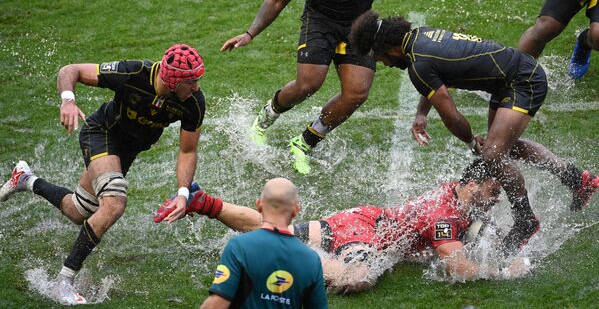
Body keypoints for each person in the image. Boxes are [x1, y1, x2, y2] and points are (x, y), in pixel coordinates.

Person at [348, 10, 599, 255]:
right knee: (502, 148)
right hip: (509, 78)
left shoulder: (418, 64)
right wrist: (422, 114)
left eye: (383, 59)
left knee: (492, 154)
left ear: (389, 48)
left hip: (523, 81)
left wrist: (469, 142)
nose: (388, 65)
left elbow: (451, 115)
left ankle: (525, 220)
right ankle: (577, 180)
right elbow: (436, 79)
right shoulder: (420, 37)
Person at [0, 44, 206, 305]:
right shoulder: (133, 73)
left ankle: (25, 179)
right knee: (114, 203)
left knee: (79, 211)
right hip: (101, 134)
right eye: (192, 82)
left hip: (126, 151)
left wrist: (182, 194)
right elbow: (70, 70)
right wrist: (68, 100)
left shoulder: (193, 103)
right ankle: (64, 280)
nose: (197, 88)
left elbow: (188, 151)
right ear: (172, 80)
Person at [155, 160, 539, 293]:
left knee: (287, 228)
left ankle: (206, 202)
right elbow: (457, 267)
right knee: (358, 279)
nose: (497, 199)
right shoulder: (444, 217)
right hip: (366, 233)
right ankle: (284, 254)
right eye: (493, 191)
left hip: (364, 219)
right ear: (471, 184)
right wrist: (503, 271)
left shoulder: (458, 194)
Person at [220, 0, 418, 174]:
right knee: (308, 84)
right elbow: (278, 0)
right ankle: (265, 118)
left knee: (357, 93)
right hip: (320, 23)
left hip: (358, 26)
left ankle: (303, 143)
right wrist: (250, 33)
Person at [198, 178, 328, 308]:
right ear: (295, 210)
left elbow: (216, 304)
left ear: (259, 205)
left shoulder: (239, 246)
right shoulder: (311, 260)